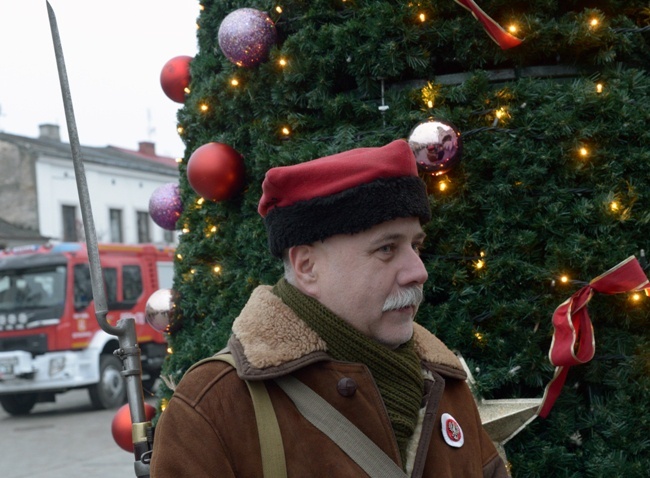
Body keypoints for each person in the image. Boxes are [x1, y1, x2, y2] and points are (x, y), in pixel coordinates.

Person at [150, 140, 508, 477]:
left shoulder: (444, 384)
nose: (419, 271)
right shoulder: (215, 406)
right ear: (307, 267)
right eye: (386, 249)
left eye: (416, 245)